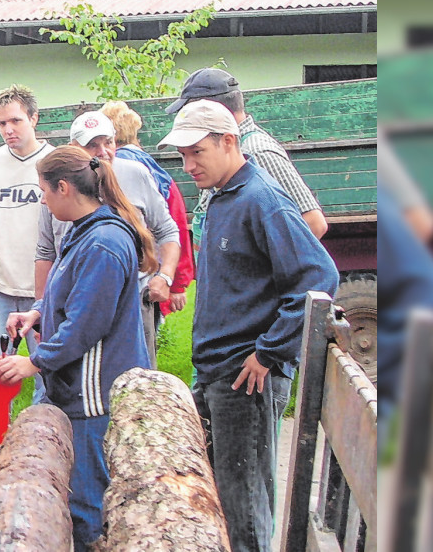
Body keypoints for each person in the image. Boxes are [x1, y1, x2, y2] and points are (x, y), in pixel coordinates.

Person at [157, 100, 338, 552]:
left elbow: (319, 277)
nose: (189, 164)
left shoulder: (262, 199)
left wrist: (271, 352)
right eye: (183, 155)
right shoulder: (222, 197)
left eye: (197, 152)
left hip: (246, 376)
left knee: (245, 503)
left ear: (229, 141)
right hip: (220, 372)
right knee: (223, 493)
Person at [0, 145, 154, 552]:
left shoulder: (103, 243)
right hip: (79, 390)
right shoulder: (86, 232)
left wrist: (35, 362)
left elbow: (86, 325)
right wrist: (37, 313)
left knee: (87, 507)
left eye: (44, 193)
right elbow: (74, 297)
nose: (43, 202)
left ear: (64, 188)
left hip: (94, 397)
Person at [34, 111, 179, 362]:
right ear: (74, 148)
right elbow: (46, 253)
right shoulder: (56, 186)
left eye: (108, 142)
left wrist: (165, 277)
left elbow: (168, 230)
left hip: (132, 302)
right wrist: (42, 311)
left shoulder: (136, 175)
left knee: (132, 384)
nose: (103, 151)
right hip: (74, 304)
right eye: (92, 145)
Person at [0, 84, 54, 404]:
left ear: (34, 118)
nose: (8, 130)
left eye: (15, 121)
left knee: (48, 369)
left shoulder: (53, 162)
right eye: (2, 123)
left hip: (42, 290)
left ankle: (43, 437)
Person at [166, 68, 329, 239]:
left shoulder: (256, 152)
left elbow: (314, 223)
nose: (188, 166)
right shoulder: (218, 156)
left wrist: (256, 263)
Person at [99, 101, 195, 316]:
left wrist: (174, 280)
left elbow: (169, 225)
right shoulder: (152, 165)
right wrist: (177, 279)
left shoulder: (128, 169)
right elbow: (176, 217)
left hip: (137, 278)